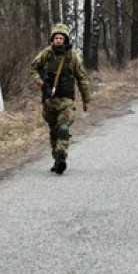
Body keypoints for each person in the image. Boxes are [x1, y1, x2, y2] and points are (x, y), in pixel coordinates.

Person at [30, 23, 92, 175]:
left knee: (63, 127)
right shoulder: (45, 54)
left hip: (66, 99)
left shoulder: (73, 57)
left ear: (65, 39)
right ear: (52, 39)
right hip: (49, 100)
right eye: (56, 37)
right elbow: (33, 68)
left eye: (61, 38)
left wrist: (86, 99)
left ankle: (61, 156)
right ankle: (56, 159)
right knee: (53, 131)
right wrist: (38, 80)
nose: (58, 40)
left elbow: (82, 78)